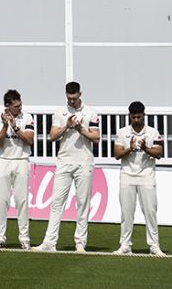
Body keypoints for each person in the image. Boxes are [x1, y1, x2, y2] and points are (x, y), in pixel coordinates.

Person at [36, 81, 99, 252]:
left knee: (82, 203)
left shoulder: (91, 112)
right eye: (68, 98)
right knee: (57, 202)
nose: (71, 101)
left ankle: (80, 243)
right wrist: (67, 126)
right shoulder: (60, 112)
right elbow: (52, 136)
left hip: (84, 162)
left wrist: (79, 129)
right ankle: (49, 242)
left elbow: (96, 137)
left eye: (74, 98)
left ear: (80, 94)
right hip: (64, 161)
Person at [114, 100, 164, 255]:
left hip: (146, 175)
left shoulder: (152, 132)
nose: (136, 120)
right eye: (133, 117)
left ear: (144, 115)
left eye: (139, 117)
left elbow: (159, 153)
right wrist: (129, 148)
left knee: (150, 211)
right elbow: (117, 154)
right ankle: (125, 245)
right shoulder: (123, 132)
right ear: (129, 116)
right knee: (126, 212)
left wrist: (144, 148)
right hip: (127, 175)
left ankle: (154, 245)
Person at [0, 88, 35, 250]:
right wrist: (4, 126)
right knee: (2, 201)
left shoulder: (27, 117)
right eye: (16, 106)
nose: (20, 108)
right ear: (7, 106)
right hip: (3, 161)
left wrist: (16, 128)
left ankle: (24, 238)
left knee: (22, 201)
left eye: (20, 105)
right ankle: (0, 237)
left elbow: (29, 140)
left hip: (21, 160)